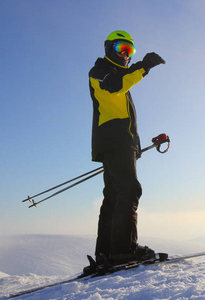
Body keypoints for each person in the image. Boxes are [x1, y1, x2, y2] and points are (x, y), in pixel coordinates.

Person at [88, 30, 165, 266]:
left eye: (129, 51)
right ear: (109, 48)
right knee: (130, 190)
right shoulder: (101, 72)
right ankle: (124, 250)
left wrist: (135, 147)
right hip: (115, 141)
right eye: (122, 48)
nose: (125, 55)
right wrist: (144, 66)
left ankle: (107, 253)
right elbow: (116, 85)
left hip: (120, 142)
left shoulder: (116, 76)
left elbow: (123, 115)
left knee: (113, 195)